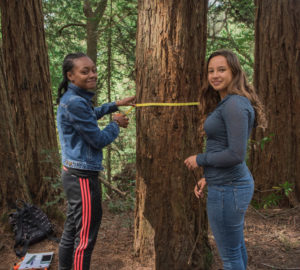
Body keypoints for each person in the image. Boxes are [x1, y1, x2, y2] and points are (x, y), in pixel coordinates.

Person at [184, 49, 267, 270]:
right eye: (211, 71)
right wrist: (208, 178)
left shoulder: (234, 104)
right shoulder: (228, 102)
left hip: (229, 189)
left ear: (234, 72)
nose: (215, 75)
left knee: (230, 257)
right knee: (236, 248)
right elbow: (225, 149)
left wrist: (200, 159)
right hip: (226, 184)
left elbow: (236, 154)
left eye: (222, 69)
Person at [56, 52, 135, 270]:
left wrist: (116, 104)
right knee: (84, 239)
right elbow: (98, 139)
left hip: (73, 173)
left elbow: (90, 115)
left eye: (93, 69)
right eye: (85, 71)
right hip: (81, 178)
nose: (92, 74)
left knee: (72, 229)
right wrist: (116, 124)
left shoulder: (75, 99)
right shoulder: (75, 102)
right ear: (71, 75)